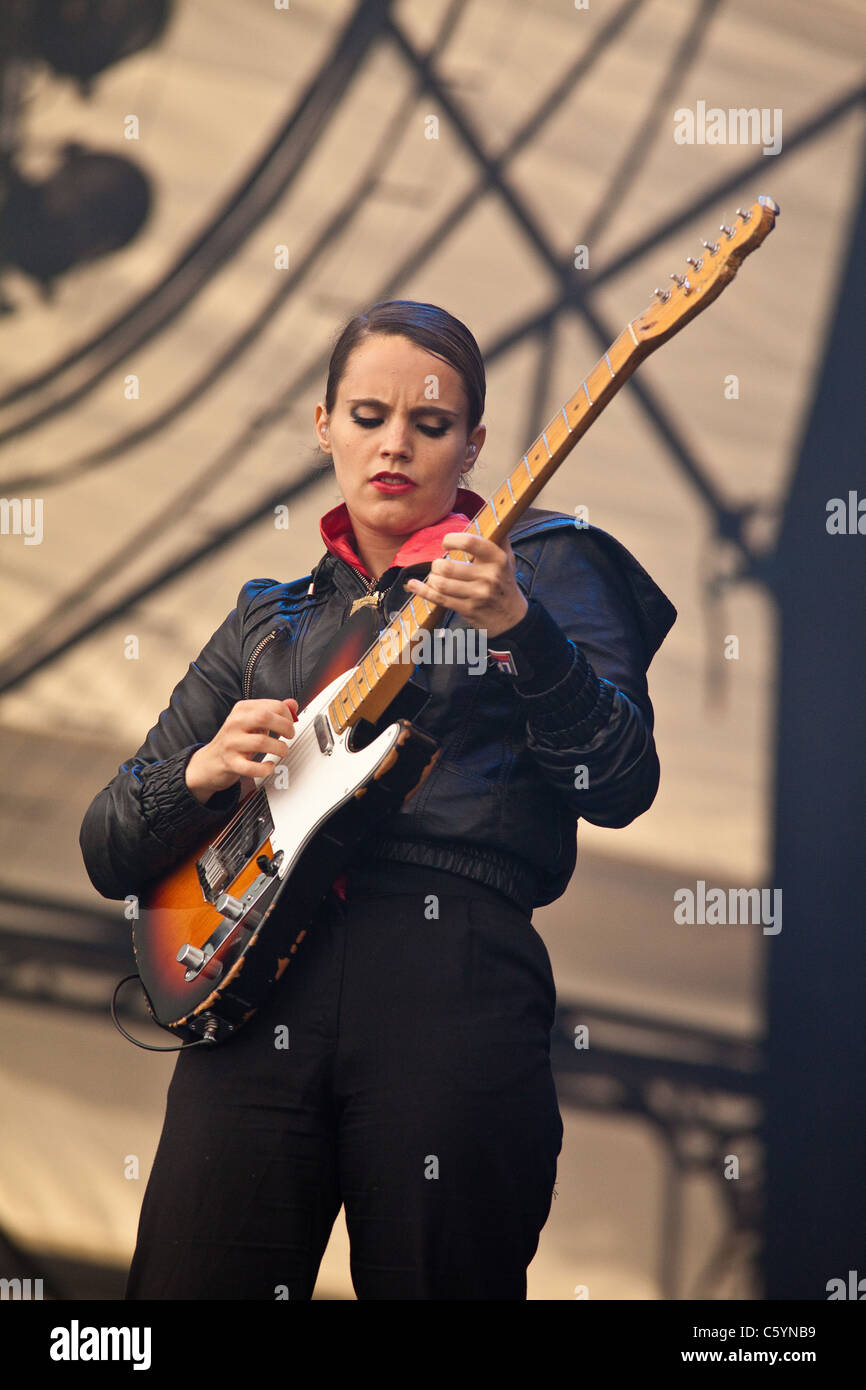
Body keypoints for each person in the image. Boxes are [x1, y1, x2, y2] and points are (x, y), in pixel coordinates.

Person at [79, 299, 676, 1300]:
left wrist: (526, 634)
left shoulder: (548, 566)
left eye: (430, 424)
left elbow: (617, 785)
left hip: (450, 976)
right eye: (366, 416)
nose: (393, 444)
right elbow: (105, 848)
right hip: (255, 991)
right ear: (322, 426)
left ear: (473, 441)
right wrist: (197, 773)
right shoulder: (267, 618)